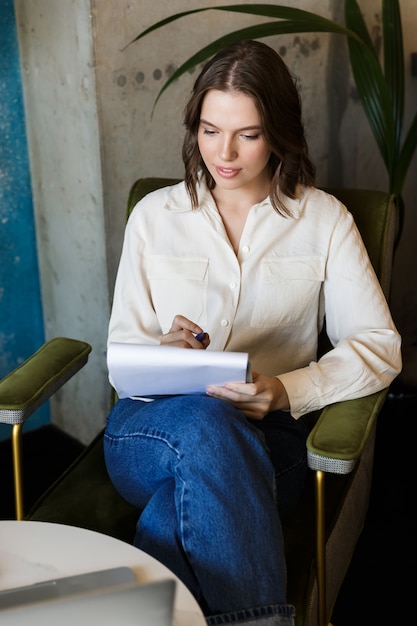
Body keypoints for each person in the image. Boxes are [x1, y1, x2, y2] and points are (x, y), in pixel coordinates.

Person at [103, 40, 401, 626]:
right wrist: (161, 352)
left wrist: (288, 390)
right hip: (148, 431)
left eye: (248, 134)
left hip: (271, 444)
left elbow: (379, 346)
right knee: (206, 420)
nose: (226, 153)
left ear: (280, 132)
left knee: (172, 515)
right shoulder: (154, 218)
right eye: (211, 131)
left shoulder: (324, 220)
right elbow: (122, 360)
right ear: (195, 128)